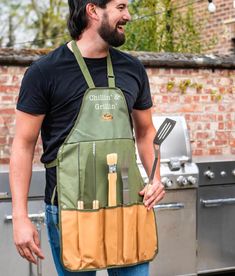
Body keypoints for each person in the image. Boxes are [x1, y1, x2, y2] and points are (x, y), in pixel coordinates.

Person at [9, 0, 165, 275]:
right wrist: (20, 217)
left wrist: (156, 177)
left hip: (127, 206)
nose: (128, 15)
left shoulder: (133, 69)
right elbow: (22, 145)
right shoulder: (45, 72)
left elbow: (145, 132)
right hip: (70, 211)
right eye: (120, 7)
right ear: (93, 10)